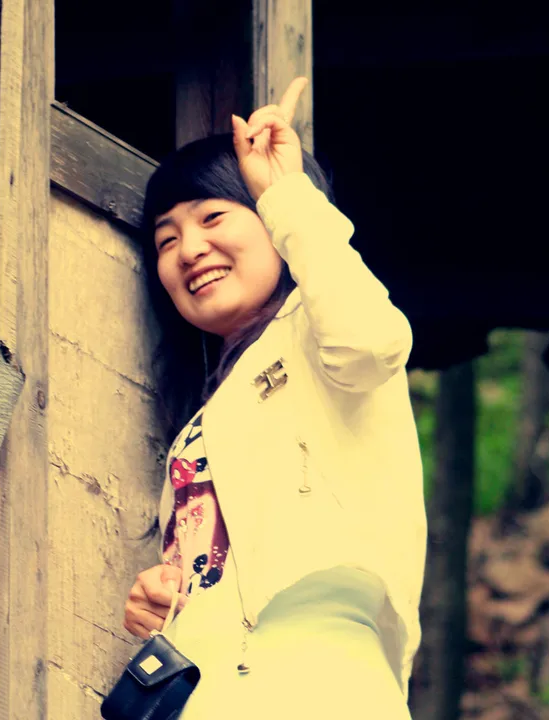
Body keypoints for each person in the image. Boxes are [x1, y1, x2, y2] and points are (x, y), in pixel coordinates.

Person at [121, 77, 428, 718]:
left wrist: (286, 192)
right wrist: (170, 599)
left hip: (318, 680)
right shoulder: (208, 410)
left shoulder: (323, 335)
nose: (189, 249)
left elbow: (373, 340)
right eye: (166, 239)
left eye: (212, 217)